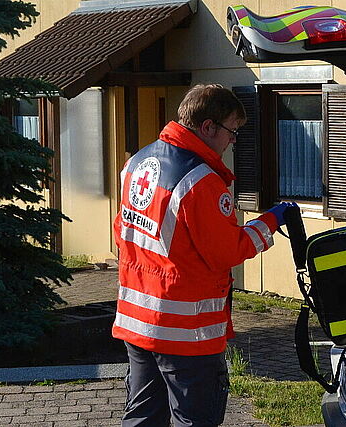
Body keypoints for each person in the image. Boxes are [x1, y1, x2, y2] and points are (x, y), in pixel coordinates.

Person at [112, 83, 295, 427]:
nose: (233, 140)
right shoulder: (201, 181)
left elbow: (123, 232)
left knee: (142, 416)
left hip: (136, 320)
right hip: (185, 333)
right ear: (208, 127)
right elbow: (227, 251)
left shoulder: (136, 163)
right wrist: (270, 222)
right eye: (232, 130)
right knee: (195, 419)